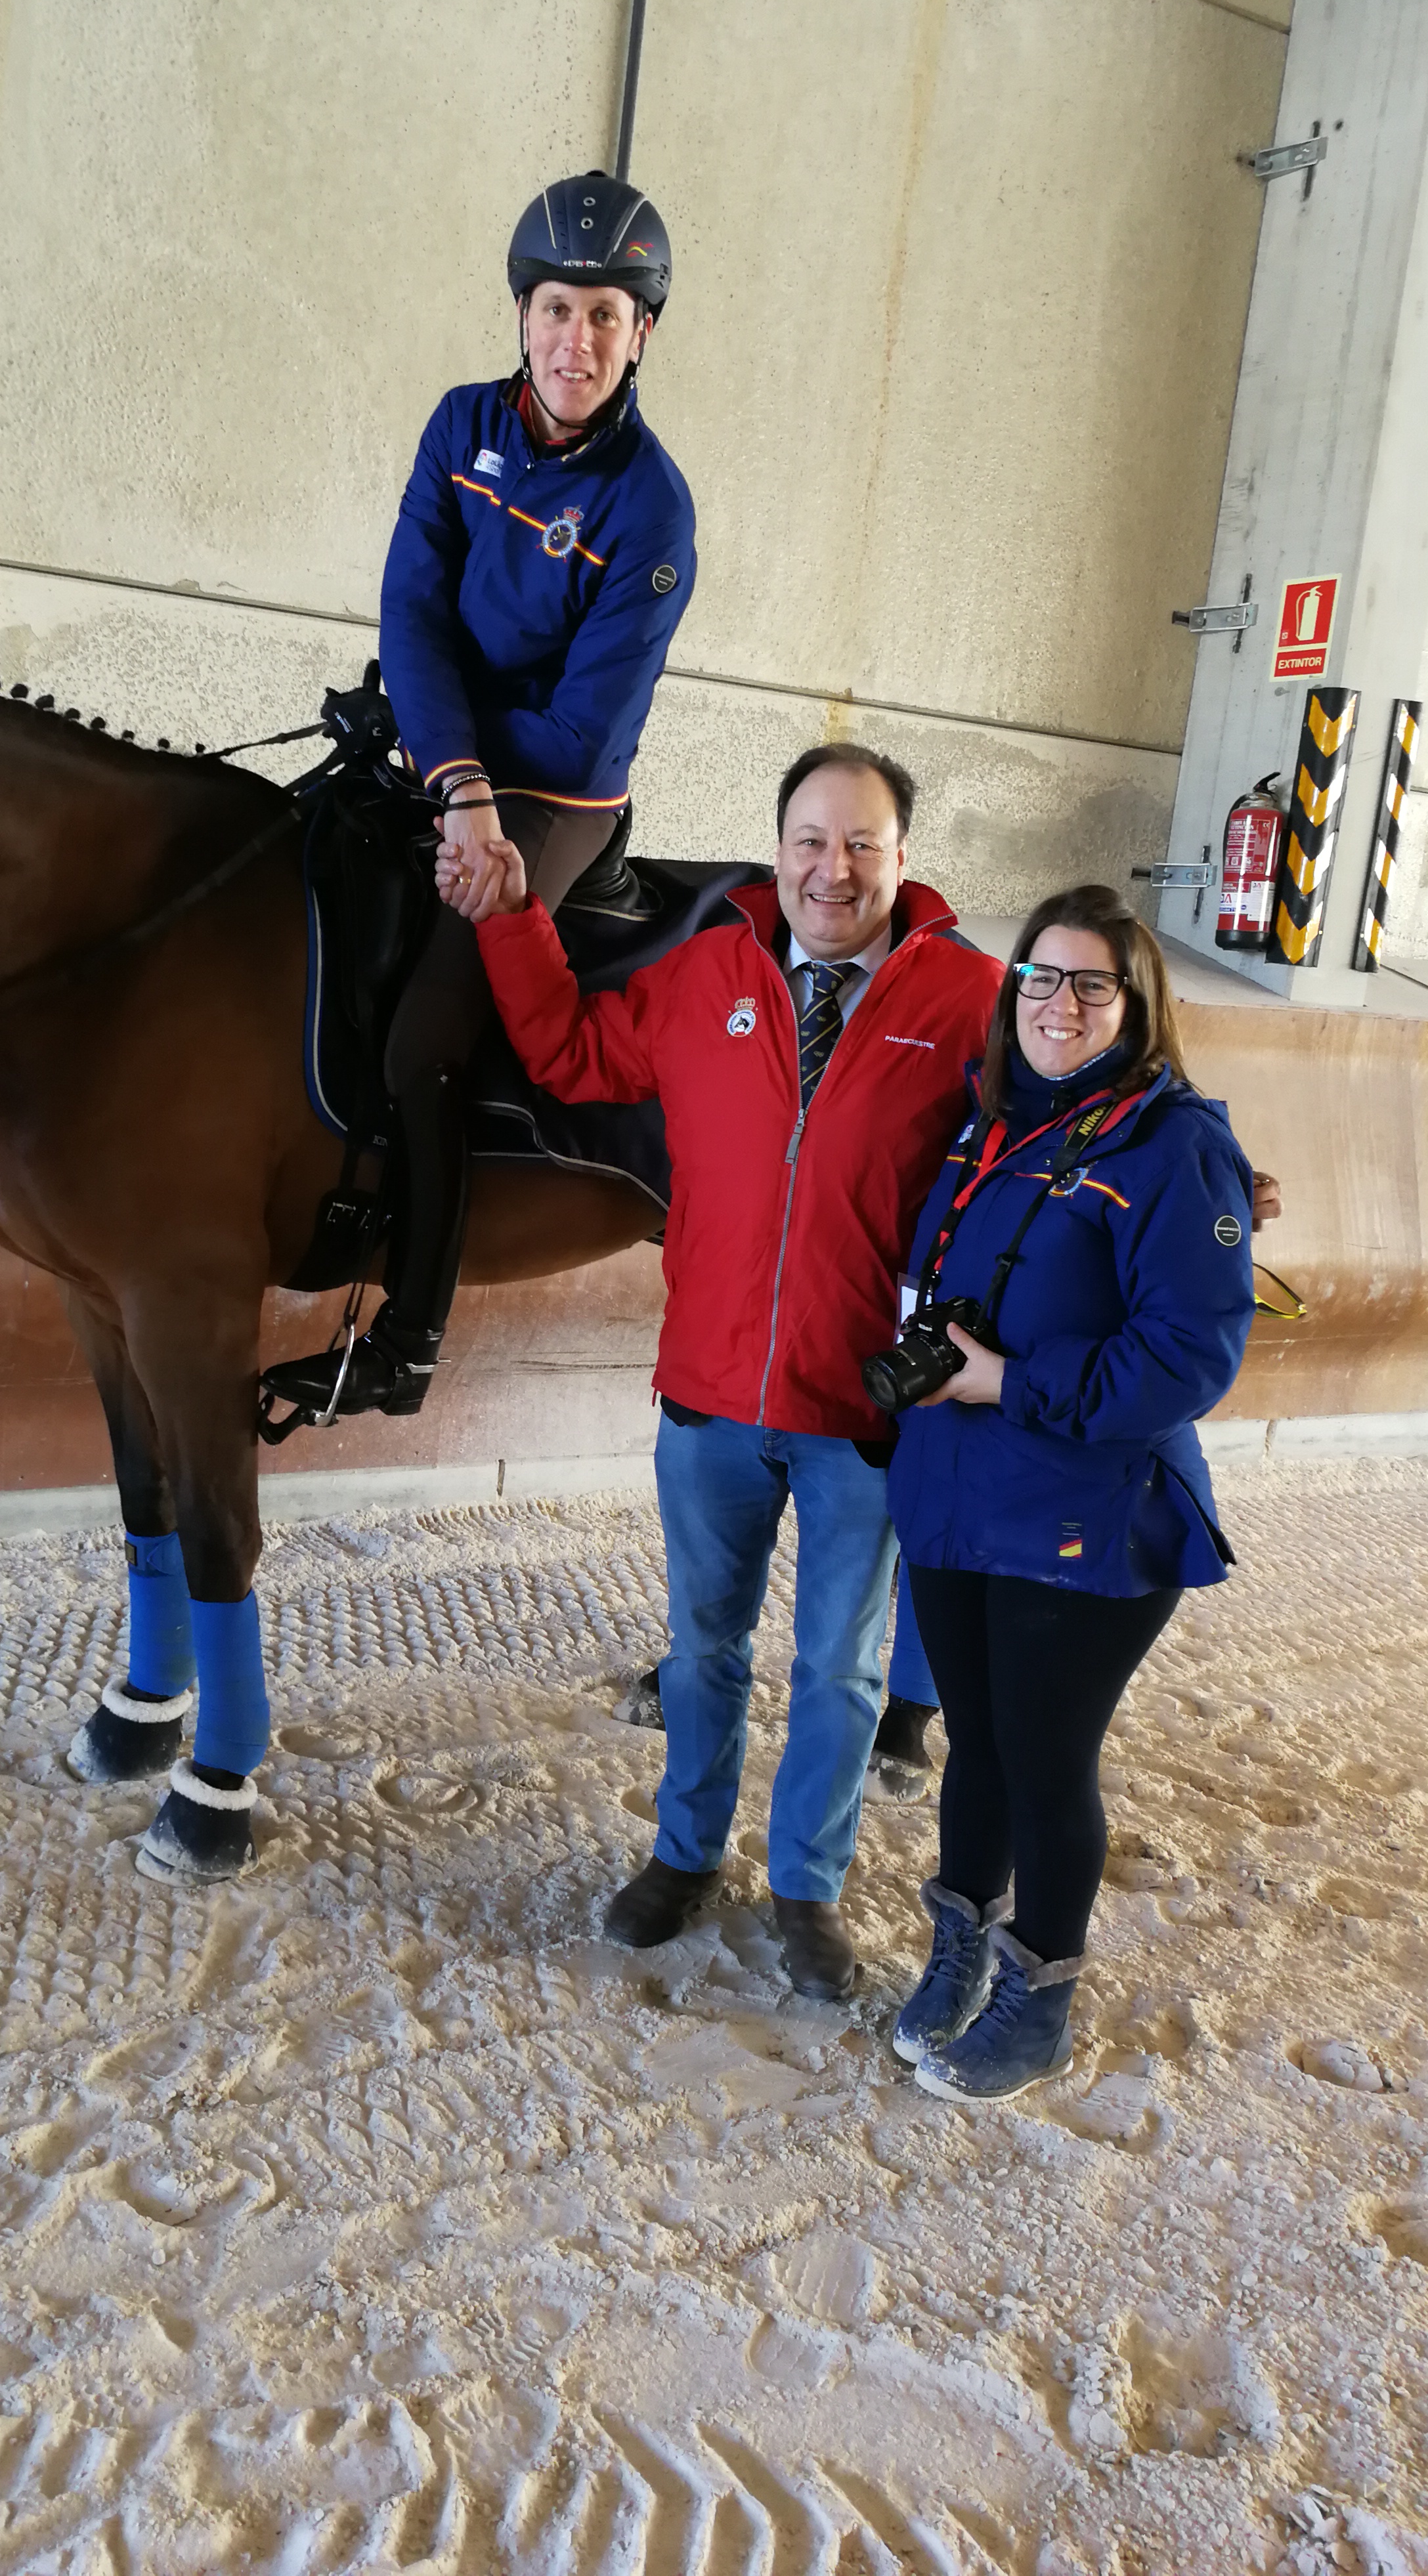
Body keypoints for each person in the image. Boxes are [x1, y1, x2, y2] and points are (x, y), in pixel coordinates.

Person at [437, 741, 1004, 1998]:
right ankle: (685, 1852)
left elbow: (1082, 1098)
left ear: (904, 859)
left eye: (862, 843)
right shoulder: (710, 973)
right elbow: (572, 1054)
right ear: (779, 848)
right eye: (811, 840)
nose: (833, 868)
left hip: (863, 1412)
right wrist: (519, 914)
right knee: (704, 1649)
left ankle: (808, 1887)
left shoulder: (972, 998)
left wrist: (1204, 1170)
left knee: (842, 1667)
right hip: (707, 1399)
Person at [261, 172, 697, 1425]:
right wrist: (443, 763)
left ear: (642, 335)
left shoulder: (652, 507)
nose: (579, 340)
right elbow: (412, 607)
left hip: (557, 796)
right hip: (448, 756)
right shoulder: (461, 424)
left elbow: (579, 730)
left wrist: (454, 762)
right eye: (559, 309)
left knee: (423, 1042)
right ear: (523, 316)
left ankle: (407, 1339)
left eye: (608, 317)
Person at [885, 884, 1255, 2103]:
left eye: (1093, 983)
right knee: (976, 1747)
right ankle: (958, 1955)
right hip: (957, 1496)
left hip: (1083, 1519)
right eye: (1040, 977)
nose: (1060, 1002)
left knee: (1047, 1762)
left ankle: (1039, 1998)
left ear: (1136, 1006)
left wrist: (1008, 1379)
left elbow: (1188, 1360)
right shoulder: (986, 1125)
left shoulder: (1174, 1142)